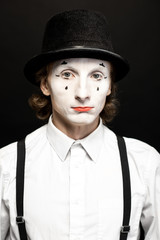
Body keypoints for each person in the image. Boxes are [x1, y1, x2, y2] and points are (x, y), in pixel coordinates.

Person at [0, 9, 159, 240]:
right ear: (45, 84)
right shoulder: (6, 166)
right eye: (67, 74)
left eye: (96, 75)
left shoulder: (145, 163)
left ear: (110, 86)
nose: (83, 93)